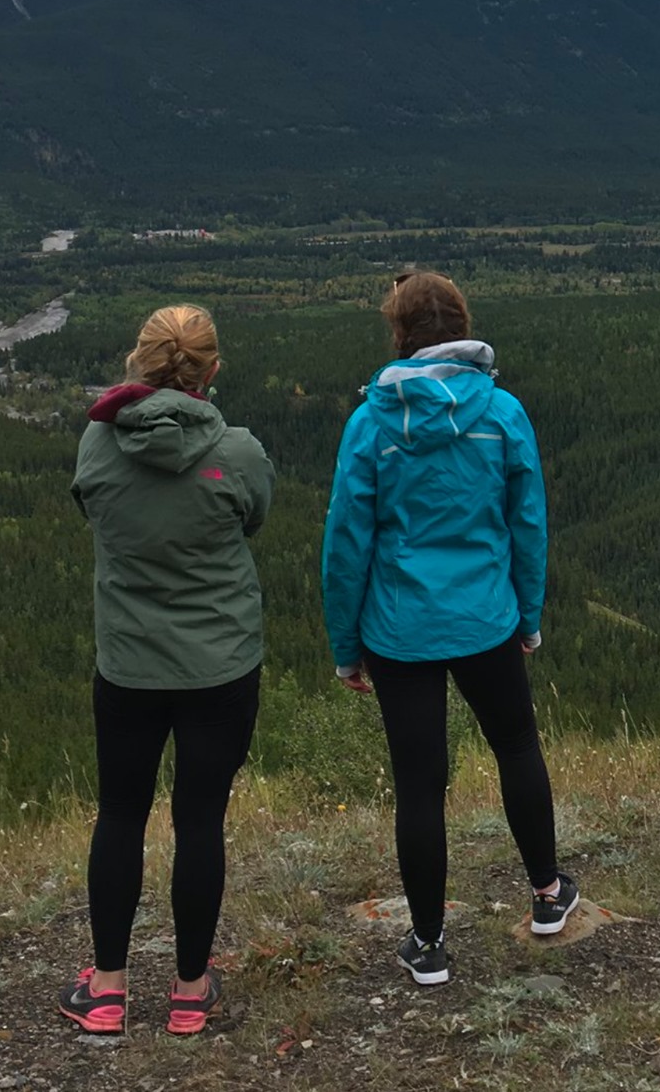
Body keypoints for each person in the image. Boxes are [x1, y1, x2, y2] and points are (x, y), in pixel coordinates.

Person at [322, 271, 576, 987]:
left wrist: (347, 645)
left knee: (419, 783)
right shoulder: (502, 412)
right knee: (517, 746)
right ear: (463, 325)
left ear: (398, 332)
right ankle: (548, 896)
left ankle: (428, 942)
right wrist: (527, 615)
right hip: (487, 616)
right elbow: (527, 523)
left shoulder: (372, 422)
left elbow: (347, 542)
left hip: (399, 629)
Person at [57, 305, 274, 1037]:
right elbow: (254, 516)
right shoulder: (238, 452)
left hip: (129, 664)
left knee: (120, 813)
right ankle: (188, 990)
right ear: (211, 371)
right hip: (221, 663)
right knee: (199, 818)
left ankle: (109, 987)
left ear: (138, 363)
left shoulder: (97, 443)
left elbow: (92, 505)